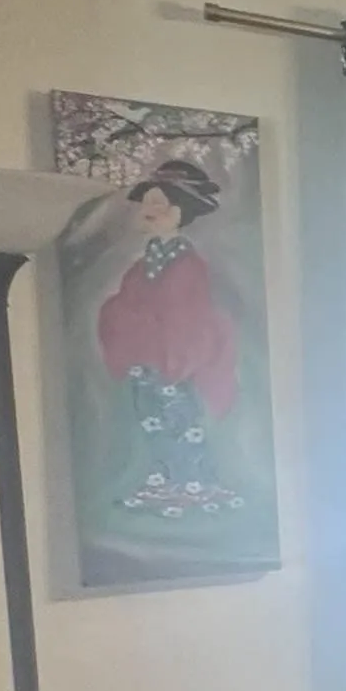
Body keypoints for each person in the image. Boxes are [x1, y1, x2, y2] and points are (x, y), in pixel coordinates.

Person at [96, 157, 245, 517]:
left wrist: (172, 351)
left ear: (179, 212)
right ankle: (166, 479)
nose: (148, 211)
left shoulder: (187, 264)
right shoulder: (142, 265)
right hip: (143, 359)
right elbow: (127, 304)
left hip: (174, 358)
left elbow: (183, 313)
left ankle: (194, 483)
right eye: (146, 204)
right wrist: (124, 317)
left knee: (180, 420)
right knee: (152, 420)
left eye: (158, 204)